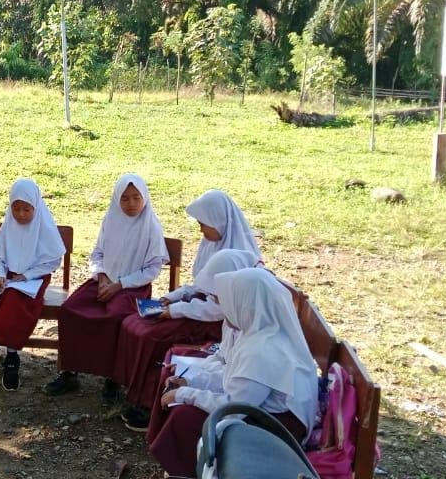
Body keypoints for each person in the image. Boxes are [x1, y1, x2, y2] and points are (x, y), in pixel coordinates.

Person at [148, 267, 319, 478]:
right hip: (262, 414)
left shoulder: (262, 350)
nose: (224, 307)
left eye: (229, 301)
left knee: (186, 418)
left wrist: (186, 394)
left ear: (245, 306)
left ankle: (189, 471)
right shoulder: (259, 333)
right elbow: (232, 378)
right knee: (185, 409)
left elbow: (234, 407)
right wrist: (191, 380)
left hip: (276, 431)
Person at [115, 189, 262, 431]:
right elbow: (199, 284)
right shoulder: (211, 244)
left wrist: (175, 311)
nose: (201, 230)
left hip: (215, 319)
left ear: (220, 222)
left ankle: (149, 401)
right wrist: (170, 299)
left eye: (204, 224)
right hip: (197, 308)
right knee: (135, 323)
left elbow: (219, 308)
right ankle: (133, 390)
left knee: (154, 335)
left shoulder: (238, 255)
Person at [44, 173, 168, 401]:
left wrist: (120, 284)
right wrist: (101, 276)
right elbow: (97, 253)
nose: (131, 204)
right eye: (125, 198)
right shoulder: (111, 219)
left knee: (117, 317)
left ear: (145, 197)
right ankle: (69, 371)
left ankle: (114, 379)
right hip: (103, 281)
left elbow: (152, 269)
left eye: (136, 197)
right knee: (71, 309)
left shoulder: (151, 226)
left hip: (133, 288)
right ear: (116, 199)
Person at [0, 178, 66, 390]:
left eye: (26, 209)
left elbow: (52, 261)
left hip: (34, 280)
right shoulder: (8, 226)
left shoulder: (43, 225)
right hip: (10, 276)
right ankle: (10, 356)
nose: (21, 215)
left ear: (35, 207)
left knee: (15, 299)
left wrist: (28, 275)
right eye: (16, 209)